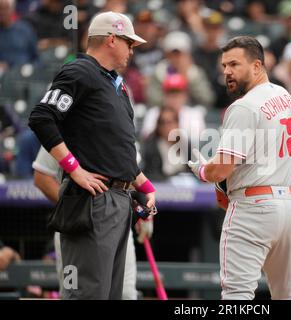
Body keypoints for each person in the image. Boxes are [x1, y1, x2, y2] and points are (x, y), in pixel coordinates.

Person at [188, 36, 291, 299]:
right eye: (224, 66)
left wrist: (201, 170)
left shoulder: (244, 106)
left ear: (257, 66)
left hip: (252, 208)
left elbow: (220, 170)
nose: (227, 72)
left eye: (234, 64)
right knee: (288, 295)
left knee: (237, 296)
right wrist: (284, 183)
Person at [28, 11, 156, 299]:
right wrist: (74, 168)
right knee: (87, 294)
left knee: (112, 295)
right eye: (128, 43)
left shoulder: (118, 85)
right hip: (91, 203)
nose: (132, 50)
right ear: (111, 39)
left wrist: (145, 187)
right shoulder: (79, 71)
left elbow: (116, 149)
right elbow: (41, 117)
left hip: (119, 202)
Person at [32, 146, 153, 299]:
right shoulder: (65, 125)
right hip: (75, 226)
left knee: (126, 294)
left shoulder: (125, 128)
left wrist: (140, 208)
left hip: (118, 222)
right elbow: (41, 176)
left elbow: (128, 179)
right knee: (75, 293)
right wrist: (76, 207)